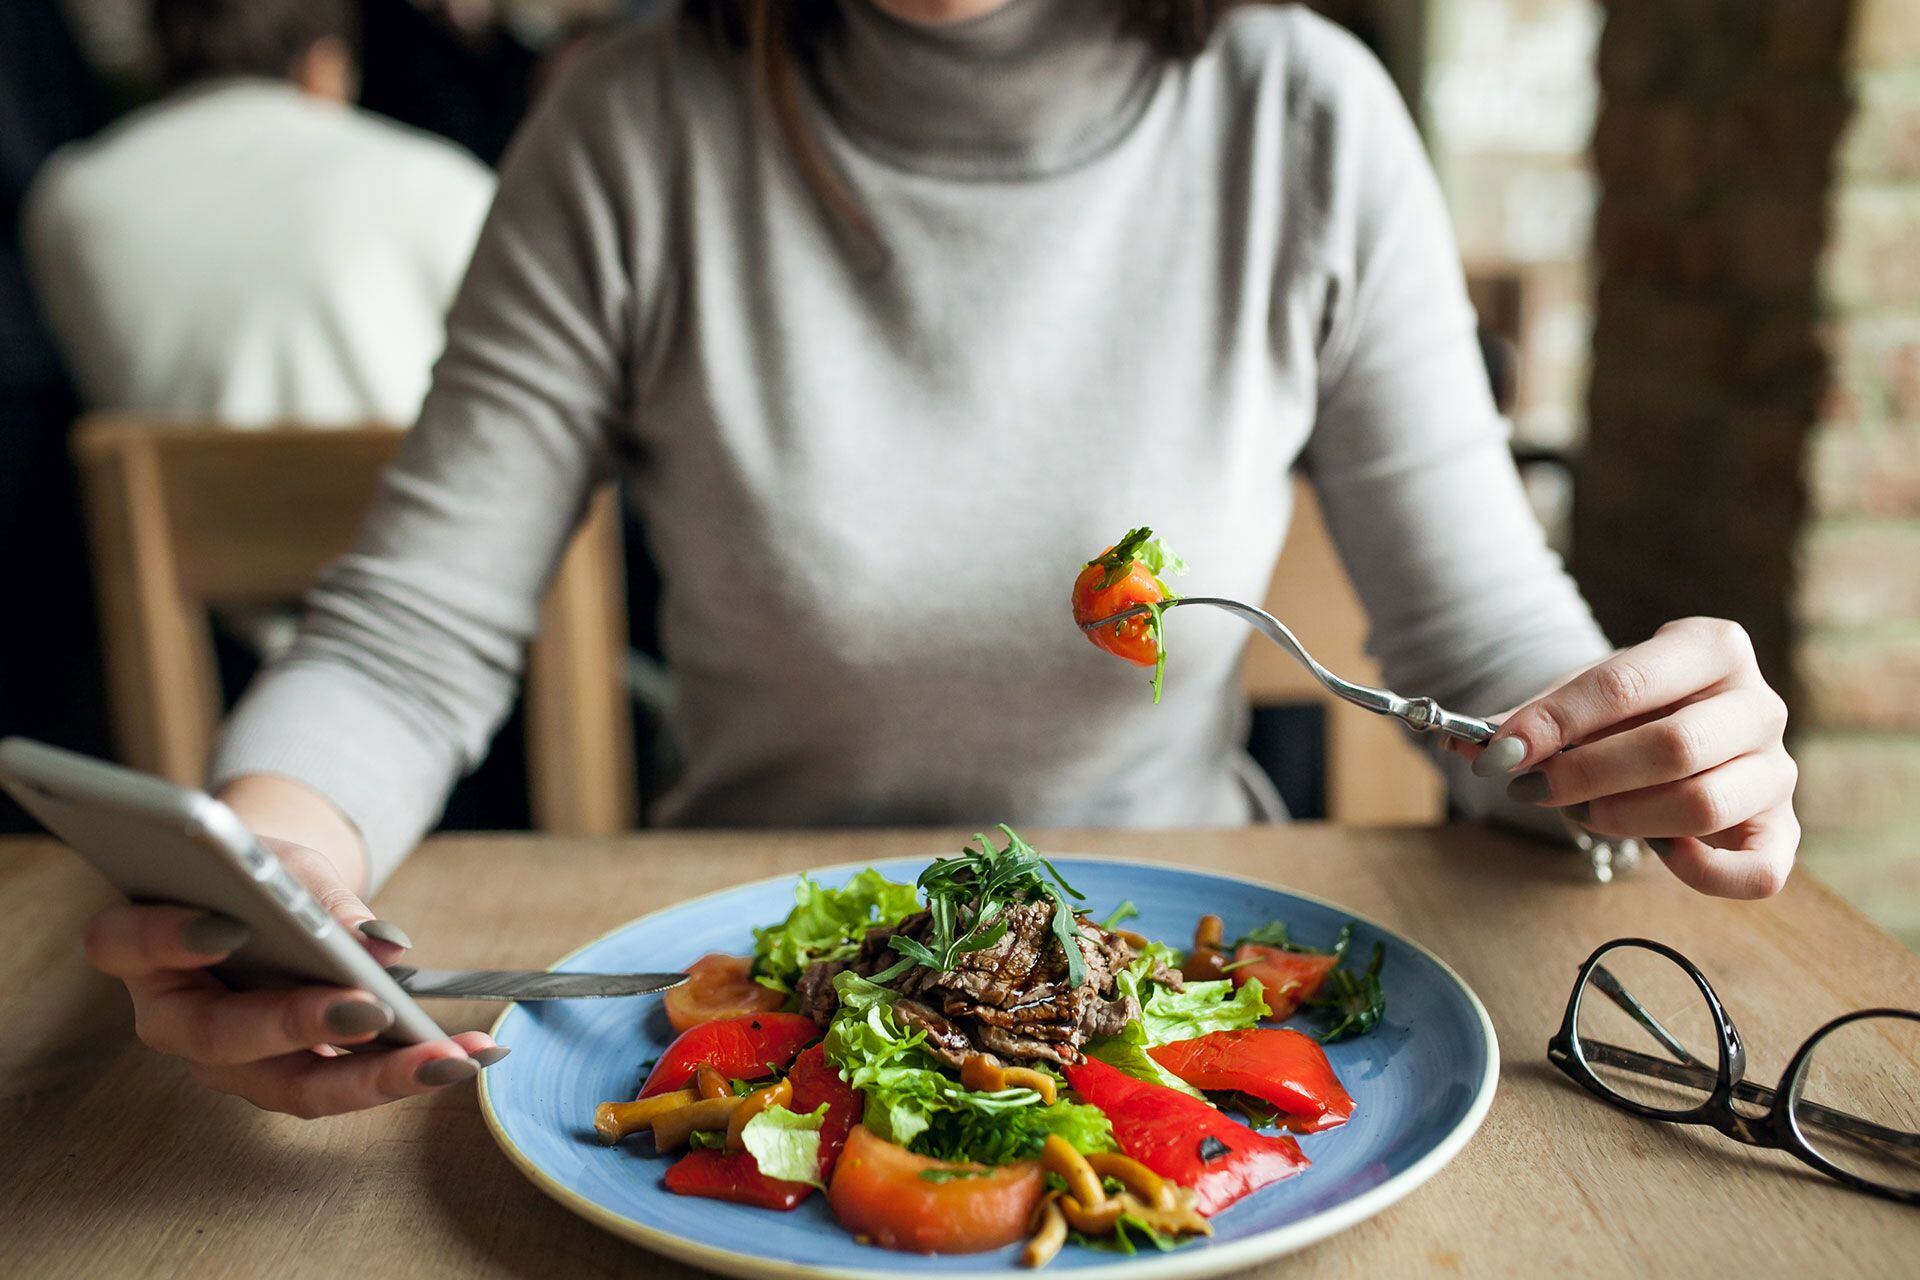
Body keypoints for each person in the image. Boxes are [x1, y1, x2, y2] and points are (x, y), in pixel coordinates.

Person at [81, 0, 1800, 1116]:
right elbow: (403, 641)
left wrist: (1641, 755)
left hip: (1193, 1026)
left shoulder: (1303, 118)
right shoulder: (627, 129)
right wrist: (279, 872)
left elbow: (1483, 642)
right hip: (752, 1028)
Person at [24, 0, 496, 428]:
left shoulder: (70, 200)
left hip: (171, 517)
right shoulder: (439, 183)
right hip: (396, 511)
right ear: (324, 67)